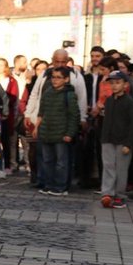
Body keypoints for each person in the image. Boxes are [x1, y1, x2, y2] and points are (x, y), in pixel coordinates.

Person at [36, 66, 80, 196]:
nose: (55, 80)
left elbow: (74, 116)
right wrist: (37, 127)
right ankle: (49, 184)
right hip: (46, 132)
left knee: (61, 163)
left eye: (58, 78)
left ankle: (60, 187)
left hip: (61, 134)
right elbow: (41, 112)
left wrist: (69, 133)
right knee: (47, 161)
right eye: (53, 77)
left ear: (66, 79)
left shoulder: (69, 95)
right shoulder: (47, 92)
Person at [99, 70, 133, 208]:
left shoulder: (129, 102)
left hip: (122, 141)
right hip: (108, 139)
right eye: (112, 83)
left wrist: (128, 143)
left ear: (125, 85)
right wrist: (104, 138)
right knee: (108, 166)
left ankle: (120, 195)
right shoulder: (109, 100)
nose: (114, 85)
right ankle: (107, 193)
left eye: (118, 83)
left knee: (121, 169)